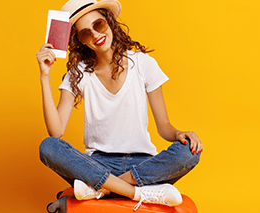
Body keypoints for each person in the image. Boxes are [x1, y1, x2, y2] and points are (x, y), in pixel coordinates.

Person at [35, 0, 203, 210]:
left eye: (98, 25)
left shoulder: (143, 63)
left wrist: (179, 134)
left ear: (110, 22)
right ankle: (137, 193)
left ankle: (102, 188)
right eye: (86, 33)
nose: (96, 35)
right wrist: (44, 75)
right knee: (48, 147)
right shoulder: (79, 74)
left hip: (141, 165)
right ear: (80, 41)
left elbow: (163, 126)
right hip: (97, 164)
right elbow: (56, 130)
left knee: (188, 151)